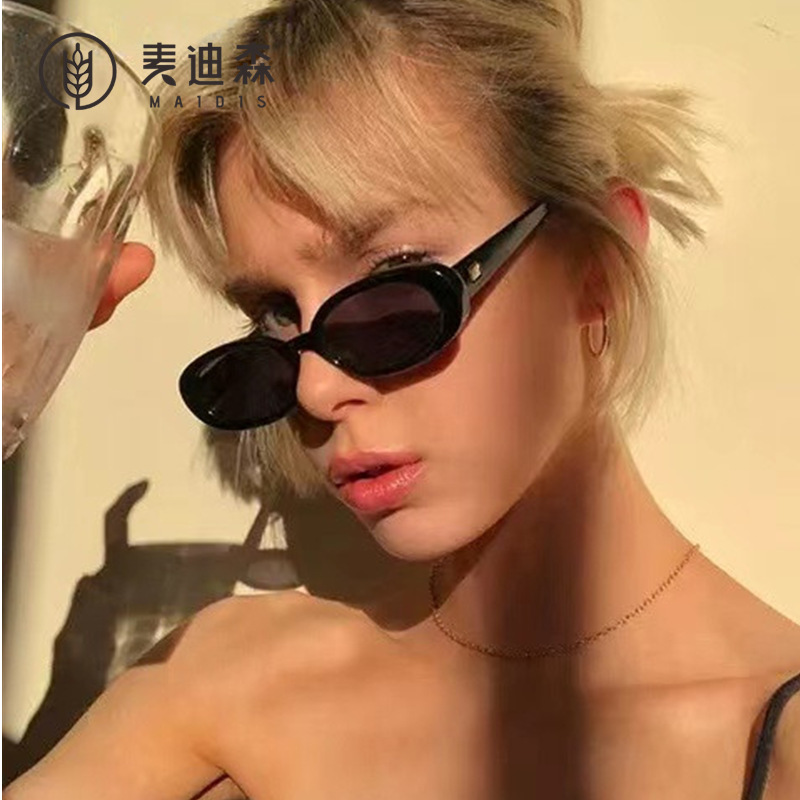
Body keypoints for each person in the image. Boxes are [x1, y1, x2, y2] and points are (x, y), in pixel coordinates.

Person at [5, 1, 800, 798]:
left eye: (394, 288)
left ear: (592, 266)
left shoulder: (770, 743)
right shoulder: (224, 687)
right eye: (276, 315)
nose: (315, 387)